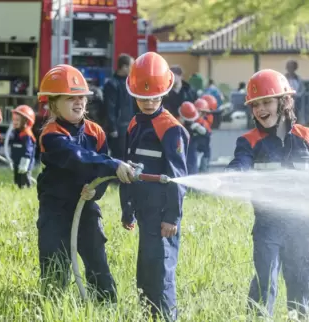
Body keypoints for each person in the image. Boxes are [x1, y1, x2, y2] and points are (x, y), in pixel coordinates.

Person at [226, 69, 309, 318]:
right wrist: (234, 174)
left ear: (284, 101)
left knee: (302, 284)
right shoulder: (249, 141)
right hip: (267, 225)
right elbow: (241, 163)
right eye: (255, 105)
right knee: (264, 283)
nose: (260, 109)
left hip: (301, 224)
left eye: (266, 102)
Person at [36, 64, 136, 302]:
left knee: (97, 260)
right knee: (54, 263)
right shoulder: (51, 134)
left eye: (81, 97)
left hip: (86, 208)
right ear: (53, 103)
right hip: (56, 209)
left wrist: (96, 191)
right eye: (70, 98)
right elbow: (77, 157)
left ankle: (105, 306)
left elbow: (100, 177)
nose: (78, 102)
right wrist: (113, 164)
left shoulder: (96, 132)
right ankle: (53, 308)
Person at [120, 52, 189, 321]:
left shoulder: (170, 129)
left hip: (162, 216)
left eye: (154, 97)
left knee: (161, 275)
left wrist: (172, 217)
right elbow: (128, 168)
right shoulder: (134, 124)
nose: (148, 102)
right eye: (143, 97)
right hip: (144, 212)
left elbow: (178, 178)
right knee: (145, 273)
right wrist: (128, 209)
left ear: (165, 93)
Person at [103, 53, 136, 160]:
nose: (133, 69)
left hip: (129, 127)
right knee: (119, 158)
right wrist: (113, 128)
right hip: (118, 129)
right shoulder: (112, 84)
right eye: (132, 66)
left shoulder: (130, 83)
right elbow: (110, 107)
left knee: (129, 157)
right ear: (124, 67)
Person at [10, 105, 36, 188]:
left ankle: (28, 188)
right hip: (16, 160)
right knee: (17, 177)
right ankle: (18, 188)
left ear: (26, 121)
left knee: (24, 176)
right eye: (13, 119)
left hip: (25, 161)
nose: (14, 122)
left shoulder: (26, 134)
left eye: (17, 120)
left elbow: (28, 149)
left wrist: (25, 161)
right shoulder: (15, 132)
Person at [178, 101, 207, 175]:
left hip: (191, 151)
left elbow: (205, 133)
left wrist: (198, 128)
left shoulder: (197, 125)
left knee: (192, 169)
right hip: (181, 150)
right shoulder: (177, 124)